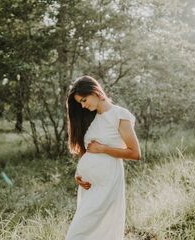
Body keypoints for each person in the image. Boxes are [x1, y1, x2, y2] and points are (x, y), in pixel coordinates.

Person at [65, 75, 141, 240]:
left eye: (84, 100)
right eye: (80, 103)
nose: (84, 106)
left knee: (80, 233)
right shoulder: (91, 118)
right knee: (86, 230)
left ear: (95, 92)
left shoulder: (119, 115)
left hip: (108, 182)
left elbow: (135, 153)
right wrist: (78, 175)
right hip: (89, 186)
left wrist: (103, 148)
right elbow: (87, 153)